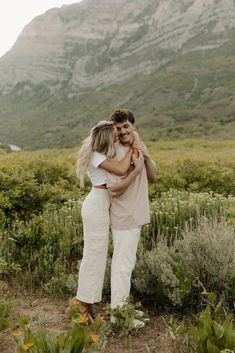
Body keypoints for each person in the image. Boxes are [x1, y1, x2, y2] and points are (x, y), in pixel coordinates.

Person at [73, 120, 144, 323]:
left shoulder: (101, 154)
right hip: (96, 205)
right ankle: (82, 305)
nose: (117, 135)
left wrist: (134, 142)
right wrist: (134, 151)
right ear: (106, 136)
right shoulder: (97, 156)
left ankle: (87, 303)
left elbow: (121, 162)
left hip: (102, 205)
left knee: (97, 254)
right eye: (114, 132)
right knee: (93, 255)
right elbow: (122, 170)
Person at [107, 109, 157, 315]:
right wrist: (135, 170)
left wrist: (144, 155)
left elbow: (153, 176)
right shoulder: (114, 152)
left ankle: (122, 307)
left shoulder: (139, 146)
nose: (123, 131)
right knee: (122, 266)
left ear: (133, 126)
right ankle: (119, 313)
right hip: (123, 216)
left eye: (126, 126)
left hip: (135, 216)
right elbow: (114, 189)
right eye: (118, 129)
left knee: (127, 264)